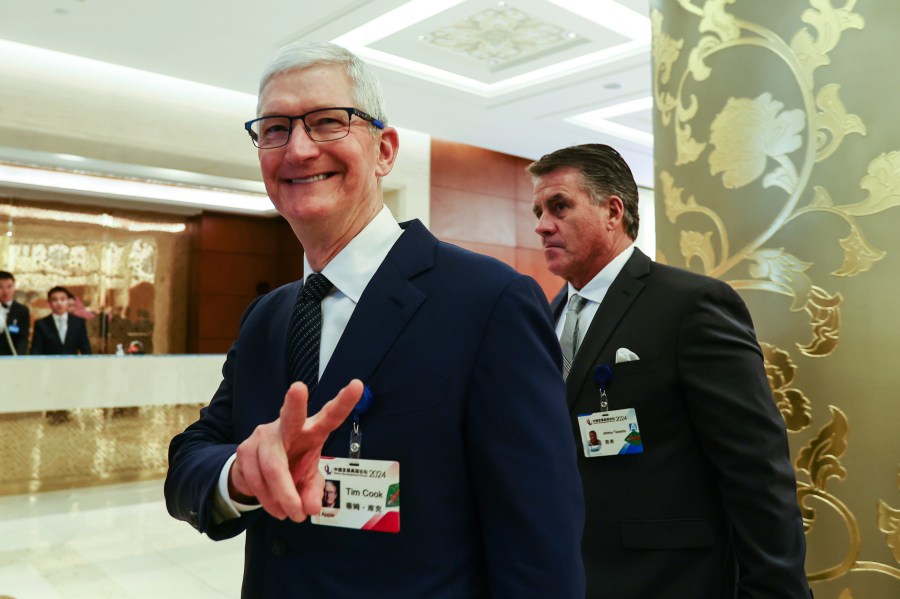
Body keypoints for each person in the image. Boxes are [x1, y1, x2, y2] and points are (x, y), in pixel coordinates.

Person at [165, 41, 585, 598]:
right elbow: (192, 456)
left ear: (385, 150)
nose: (297, 149)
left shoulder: (488, 301)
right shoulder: (268, 316)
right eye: (273, 129)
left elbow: (539, 545)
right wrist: (240, 474)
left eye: (326, 122)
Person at [528, 144, 811, 598]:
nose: (542, 225)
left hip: (668, 580)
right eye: (539, 210)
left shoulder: (690, 305)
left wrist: (776, 589)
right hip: (565, 575)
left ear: (612, 211)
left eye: (559, 206)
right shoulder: (547, 315)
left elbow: (755, 467)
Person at [30, 286, 92, 355]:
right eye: (55, 300)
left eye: (62, 299)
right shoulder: (41, 324)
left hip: (72, 363)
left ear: (67, 301)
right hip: (48, 364)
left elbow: (85, 348)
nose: (59, 303)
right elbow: (36, 349)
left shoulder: (78, 322)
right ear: (49, 303)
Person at [0, 271, 30, 356]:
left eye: (9, 287)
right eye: (0, 287)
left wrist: (18, 358)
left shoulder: (22, 310)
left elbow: (23, 337)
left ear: (14, 288)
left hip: (11, 357)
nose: (5, 291)